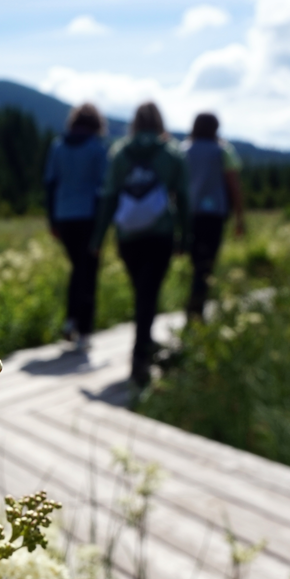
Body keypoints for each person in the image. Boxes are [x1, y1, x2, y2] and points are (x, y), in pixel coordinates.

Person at [90, 102, 188, 394]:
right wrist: (187, 237)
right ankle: (140, 359)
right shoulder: (171, 153)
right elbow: (183, 197)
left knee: (141, 293)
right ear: (160, 122)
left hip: (128, 236)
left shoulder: (120, 152)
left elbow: (108, 197)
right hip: (161, 234)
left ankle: (143, 348)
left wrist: (98, 239)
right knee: (148, 294)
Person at [44, 103, 108, 351]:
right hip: (89, 217)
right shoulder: (97, 148)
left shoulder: (57, 146)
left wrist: (52, 220)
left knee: (77, 268)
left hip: (64, 216)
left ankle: (71, 320)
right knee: (88, 271)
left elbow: (50, 185)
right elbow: (104, 189)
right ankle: (85, 330)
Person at [181, 112, 245, 321]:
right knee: (206, 264)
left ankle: (194, 309)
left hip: (188, 215)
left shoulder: (183, 150)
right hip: (214, 215)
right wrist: (239, 218)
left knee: (195, 262)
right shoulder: (223, 151)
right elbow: (233, 186)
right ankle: (196, 313)